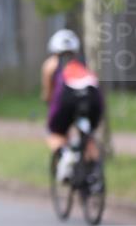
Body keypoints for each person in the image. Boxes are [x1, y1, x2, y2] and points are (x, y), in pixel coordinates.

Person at [41, 29, 104, 182]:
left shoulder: (51, 64)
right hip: (93, 97)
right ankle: (95, 175)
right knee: (88, 134)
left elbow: (48, 95)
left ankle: (66, 155)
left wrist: (49, 104)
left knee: (54, 131)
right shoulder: (83, 63)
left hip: (66, 97)